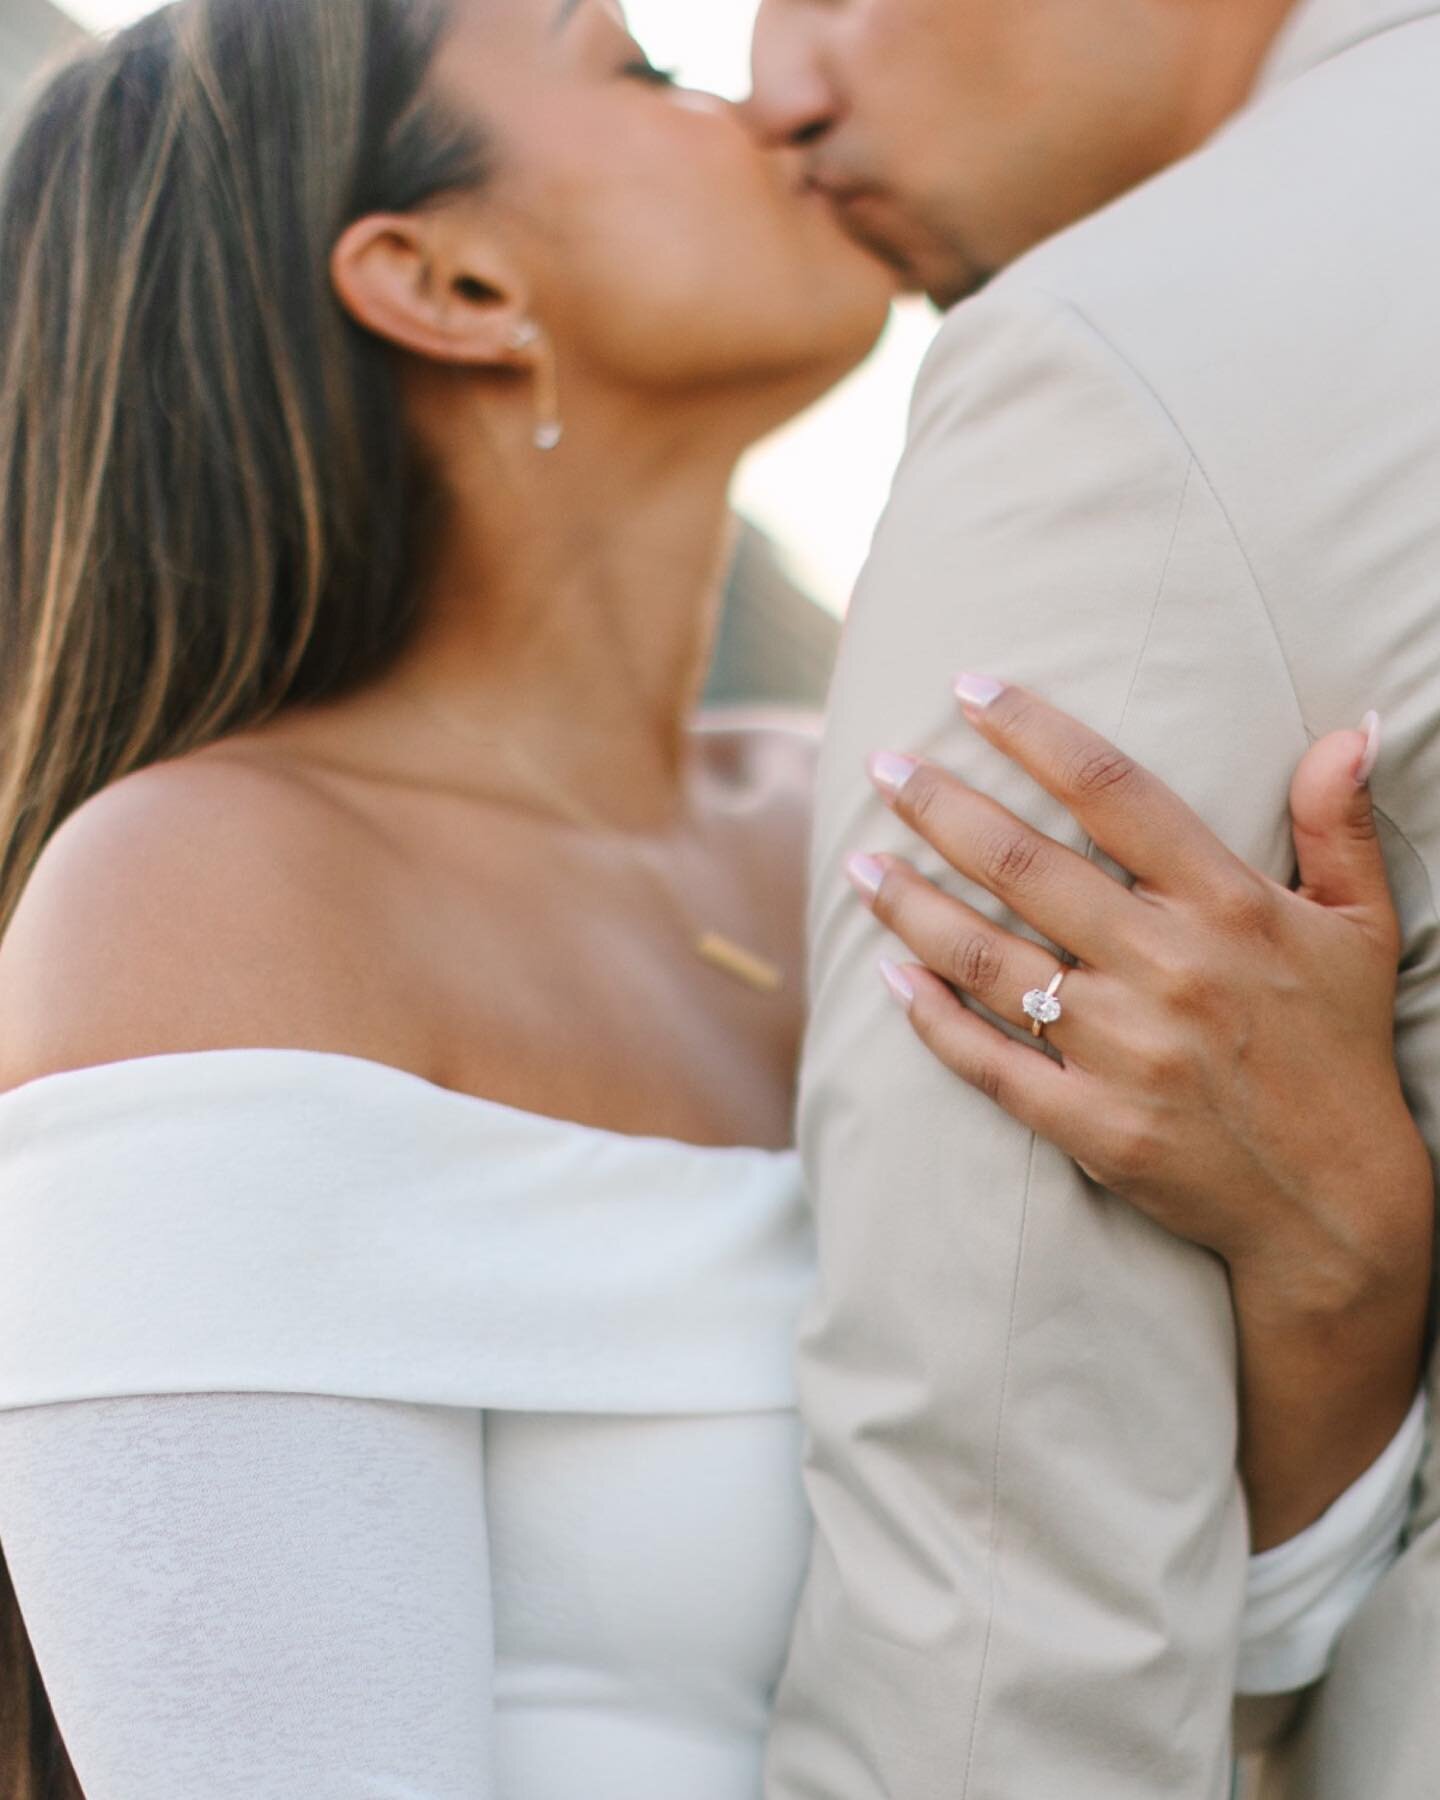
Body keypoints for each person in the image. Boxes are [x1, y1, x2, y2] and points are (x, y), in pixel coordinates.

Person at [0, 4, 1424, 1800]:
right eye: (647, 71)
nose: (779, 101)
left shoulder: (882, 810)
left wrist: (1339, 1256)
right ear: (443, 280)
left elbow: (1219, 1684)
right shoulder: (202, 898)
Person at [745, 0, 1440, 1795]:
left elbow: (998, 1640)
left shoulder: (1126, 366)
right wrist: (1337, 1278)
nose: (779, 90)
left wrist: (1349, 1274)